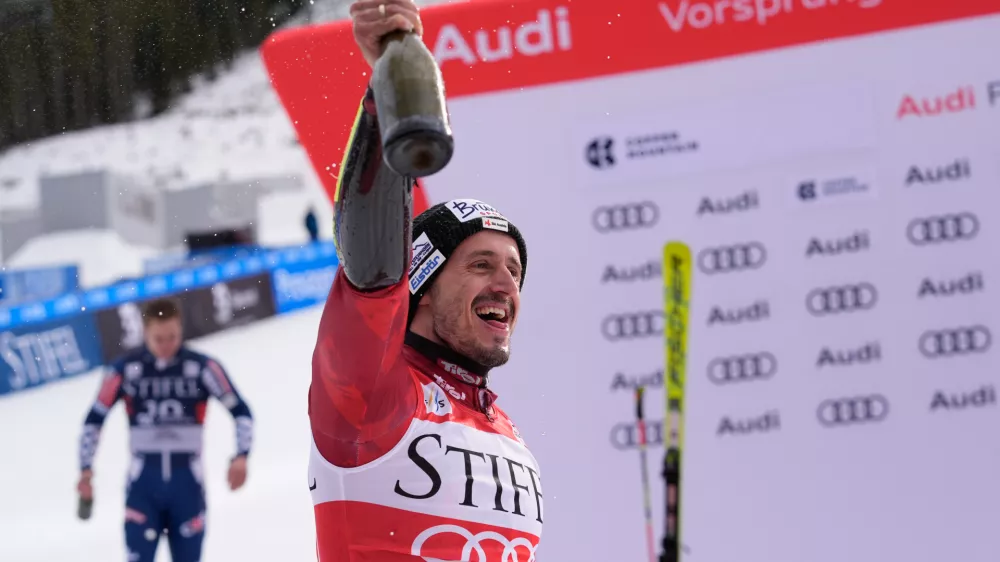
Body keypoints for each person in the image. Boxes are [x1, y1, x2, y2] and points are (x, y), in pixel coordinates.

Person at [305, 1, 543, 560]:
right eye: (480, 264)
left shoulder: (506, 429)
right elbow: (373, 268)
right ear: (425, 281)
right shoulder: (375, 396)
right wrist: (389, 95)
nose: (506, 283)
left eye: (514, 270)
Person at [77, 297, 253, 562]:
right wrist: (86, 469)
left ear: (181, 329)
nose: (166, 345)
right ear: (145, 332)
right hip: (142, 488)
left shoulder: (202, 368)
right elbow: (94, 419)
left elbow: (241, 412)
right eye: (158, 338)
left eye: (172, 336)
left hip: (188, 489)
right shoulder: (125, 370)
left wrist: (241, 456)